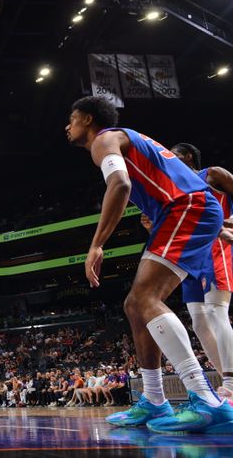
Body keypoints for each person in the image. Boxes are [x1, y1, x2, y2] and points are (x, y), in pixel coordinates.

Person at [65, 95, 233, 434]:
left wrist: (97, 245)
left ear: (86, 118)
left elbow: (120, 183)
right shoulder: (125, 139)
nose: (67, 126)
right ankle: (154, 398)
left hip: (186, 209)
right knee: (135, 303)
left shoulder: (104, 139)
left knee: (146, 299)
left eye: (71, 119)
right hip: (185, 211)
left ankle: (207, 400)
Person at [160, 143, 233, 398]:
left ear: (188, 156)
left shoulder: (212, 174)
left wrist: (229, 223)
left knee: (216, 313)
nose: (170, 159)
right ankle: (227, 379)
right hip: (190, 256)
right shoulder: (178, 190)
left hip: (216, 247)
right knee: (200, 323)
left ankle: (231, 385)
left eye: (174, 154)